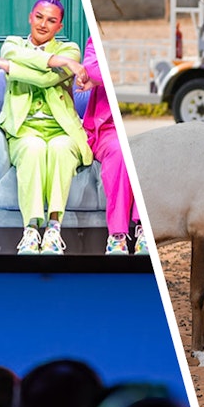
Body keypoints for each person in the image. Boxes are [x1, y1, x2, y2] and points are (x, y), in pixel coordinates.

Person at [0, 0, 92, 255]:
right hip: (24, 129)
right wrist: (57, 63)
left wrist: (6, 66)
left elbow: (44, 79)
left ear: (59, 26)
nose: (43, 24)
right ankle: (31, 229)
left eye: (51, 21)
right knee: (33, 149)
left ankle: (54, 228)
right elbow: (27, 61)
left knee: (60, 149)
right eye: (39, 17)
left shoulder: (70, 49)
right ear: (30, 17)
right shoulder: (12, 44)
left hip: (61, 129)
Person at [79, 36, 146, 255]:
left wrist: (99, 79)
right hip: (106, 130)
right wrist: (99, 78)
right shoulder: (93, 43)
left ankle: (143, 229)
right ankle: (117, 235)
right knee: (120, 152)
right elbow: (93, 71)